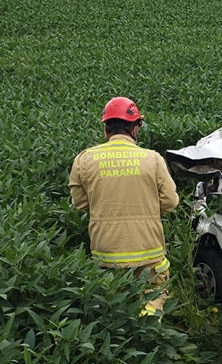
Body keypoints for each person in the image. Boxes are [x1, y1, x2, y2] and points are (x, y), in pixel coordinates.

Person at [68, 97, 180, 317]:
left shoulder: (84, 159)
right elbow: (170, 201)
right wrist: (146, 211)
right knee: (151, 302)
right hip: (149, 251)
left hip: (106, 254)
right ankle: (149, 337)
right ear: (135, 128)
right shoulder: (152, 159)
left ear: (106, 129)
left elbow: (80, 203)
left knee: (113, 308)